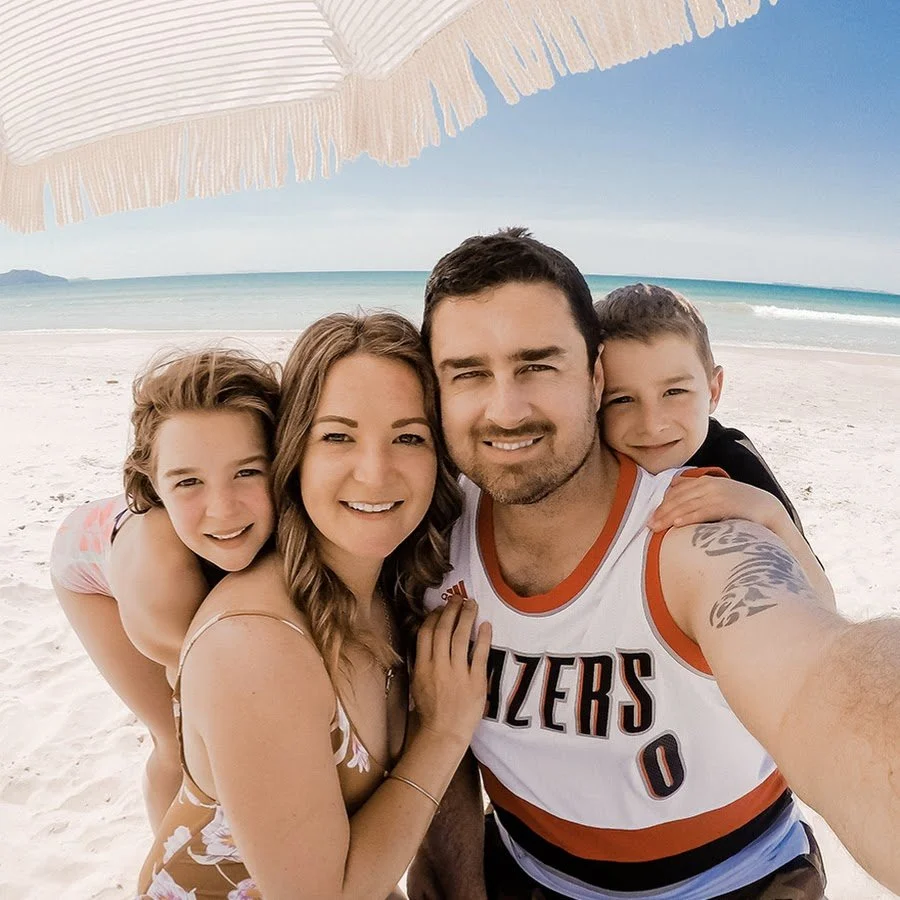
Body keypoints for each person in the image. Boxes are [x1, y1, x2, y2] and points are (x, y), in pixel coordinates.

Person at [409, 228, 900, 899]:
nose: (506, 408)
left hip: (737, 879)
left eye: (537, 365)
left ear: (595, 374)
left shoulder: (695, 523)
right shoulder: (421, 535)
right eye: (468, 373)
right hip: (526, 873)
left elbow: (819, 672)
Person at [137, 312, 492, 899]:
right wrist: (444, 732)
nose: (375, 474)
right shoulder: (254, 645)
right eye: (337, 436)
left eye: (409, 437)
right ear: (293, 451)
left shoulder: (389, 589)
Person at [50, 348, 280, 832]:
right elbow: (219, 698)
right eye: (188, 481)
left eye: (247, 471)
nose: (222, 509)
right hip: (89, 566)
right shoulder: (160, 587)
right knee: (174, 742)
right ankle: (163, 855)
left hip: (157, 531)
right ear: (153, 483)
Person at [594, 282, 833, 609]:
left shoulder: (734, 461)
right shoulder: (590, 461)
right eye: (622, 399)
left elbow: (822, 602)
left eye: (674, 392)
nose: (652, 424)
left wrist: (769, 512)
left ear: (713, 391)